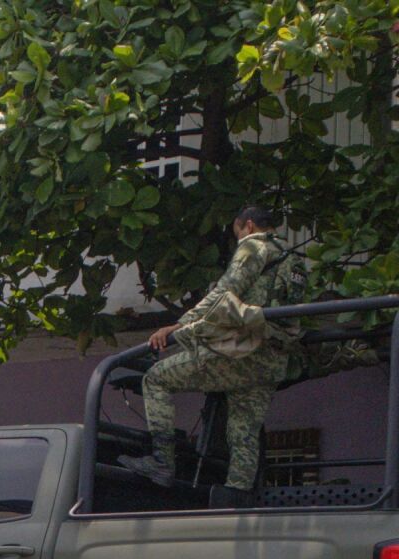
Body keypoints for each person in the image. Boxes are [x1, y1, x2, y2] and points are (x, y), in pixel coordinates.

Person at [118, 205, 305, 505]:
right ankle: (238, 494)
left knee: (156, 379)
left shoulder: (254, 248)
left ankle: (162, 461)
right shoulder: (292, 258)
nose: (238, 238)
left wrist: (180, 326)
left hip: (242, 349)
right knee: (243, 429)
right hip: (272, 358)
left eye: (237, 232)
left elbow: (225, 292)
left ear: (247, 225)